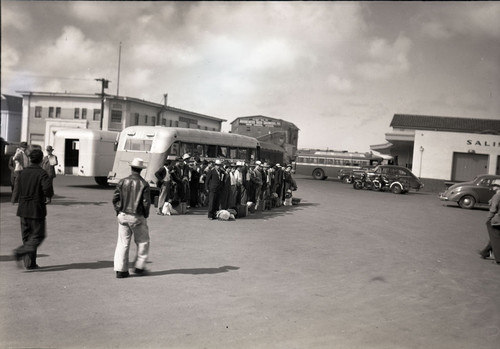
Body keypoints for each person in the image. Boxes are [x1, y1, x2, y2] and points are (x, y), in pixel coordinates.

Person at [12, 148, 54, 270]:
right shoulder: (42, 174)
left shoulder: (23, 172)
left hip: (23, 208)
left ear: (30, 159)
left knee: (27, 236)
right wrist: (48, 196)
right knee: (38, 235)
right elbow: (47, 189)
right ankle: (20, 252)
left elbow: (17, 187)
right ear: (41, 160)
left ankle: (30, 263)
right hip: (36, 209)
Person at [112, 158, 151, 278]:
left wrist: (119, 211)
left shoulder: (122, 182)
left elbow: (115, 199)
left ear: (131, 168)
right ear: (141, 170)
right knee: (143, 242)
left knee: (123, 243)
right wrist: (145, 215)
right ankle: (139, 266)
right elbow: (145, 202)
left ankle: (121, 270)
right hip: (137, 216)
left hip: (123, 215)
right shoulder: (144, 184)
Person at [479, 183, 500, 264]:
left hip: (497, 220)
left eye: (494, 185)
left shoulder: (497, 196)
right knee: (495, 236)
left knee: (496, 238)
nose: (492, 187)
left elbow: (493, 209)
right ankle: (485, 252)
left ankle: (498, 259)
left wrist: (488, 219)